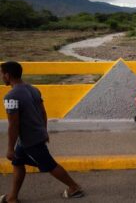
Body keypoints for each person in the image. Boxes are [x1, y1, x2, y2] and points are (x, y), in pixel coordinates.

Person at [0, 61, 84, 203]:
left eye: (2, 74)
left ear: (7, 75)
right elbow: (43, 113)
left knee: (50, 165)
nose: (1, 77)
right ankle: (12, 197)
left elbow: (13, 124)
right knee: (18, 163)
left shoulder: (10, 97)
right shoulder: (34, 89)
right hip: (32, 137)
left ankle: (74, 187)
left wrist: (9, 148)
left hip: (29, 140)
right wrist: (44, 132)